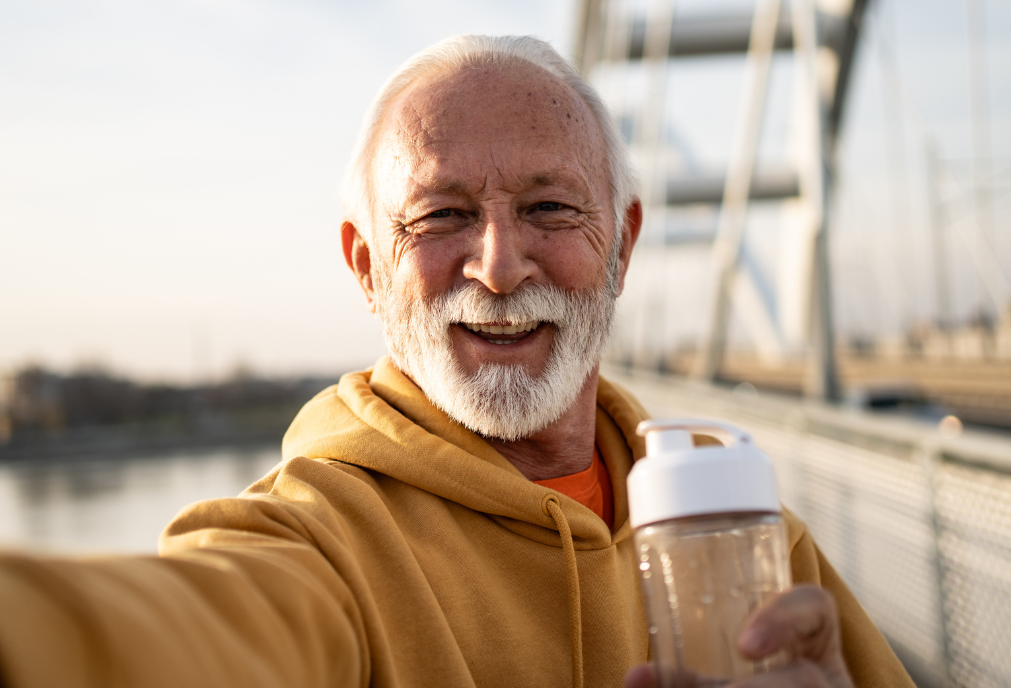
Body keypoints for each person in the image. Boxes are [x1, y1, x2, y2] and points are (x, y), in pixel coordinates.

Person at [0, 35, 913, 688]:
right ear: (366, 266)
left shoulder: (745, 528)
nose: (498, 267)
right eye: (439, 216)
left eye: (551, 208)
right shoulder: (324, 544)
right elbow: (171, 631)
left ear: (622, 247)